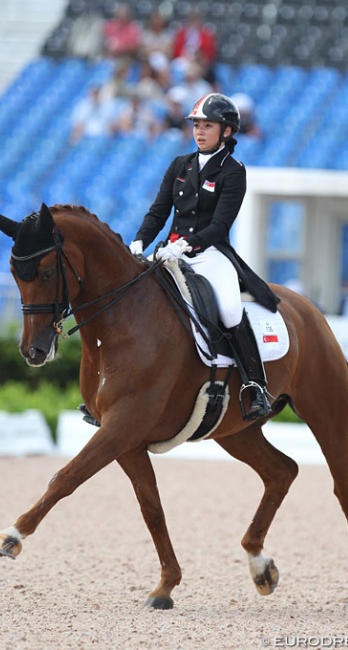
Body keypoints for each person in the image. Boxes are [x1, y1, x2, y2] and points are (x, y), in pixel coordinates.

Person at [128, 93, 280, 420]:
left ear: (226, 131)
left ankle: (255, 385)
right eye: (196, 125)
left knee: (228, 309)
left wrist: (186, 244)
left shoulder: (233, 172)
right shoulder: (179, 165)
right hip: (169, 252)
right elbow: (158, 212)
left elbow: (220, 224)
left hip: (209, 254)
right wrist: (140, 240)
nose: (199, 131)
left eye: (207, 125)